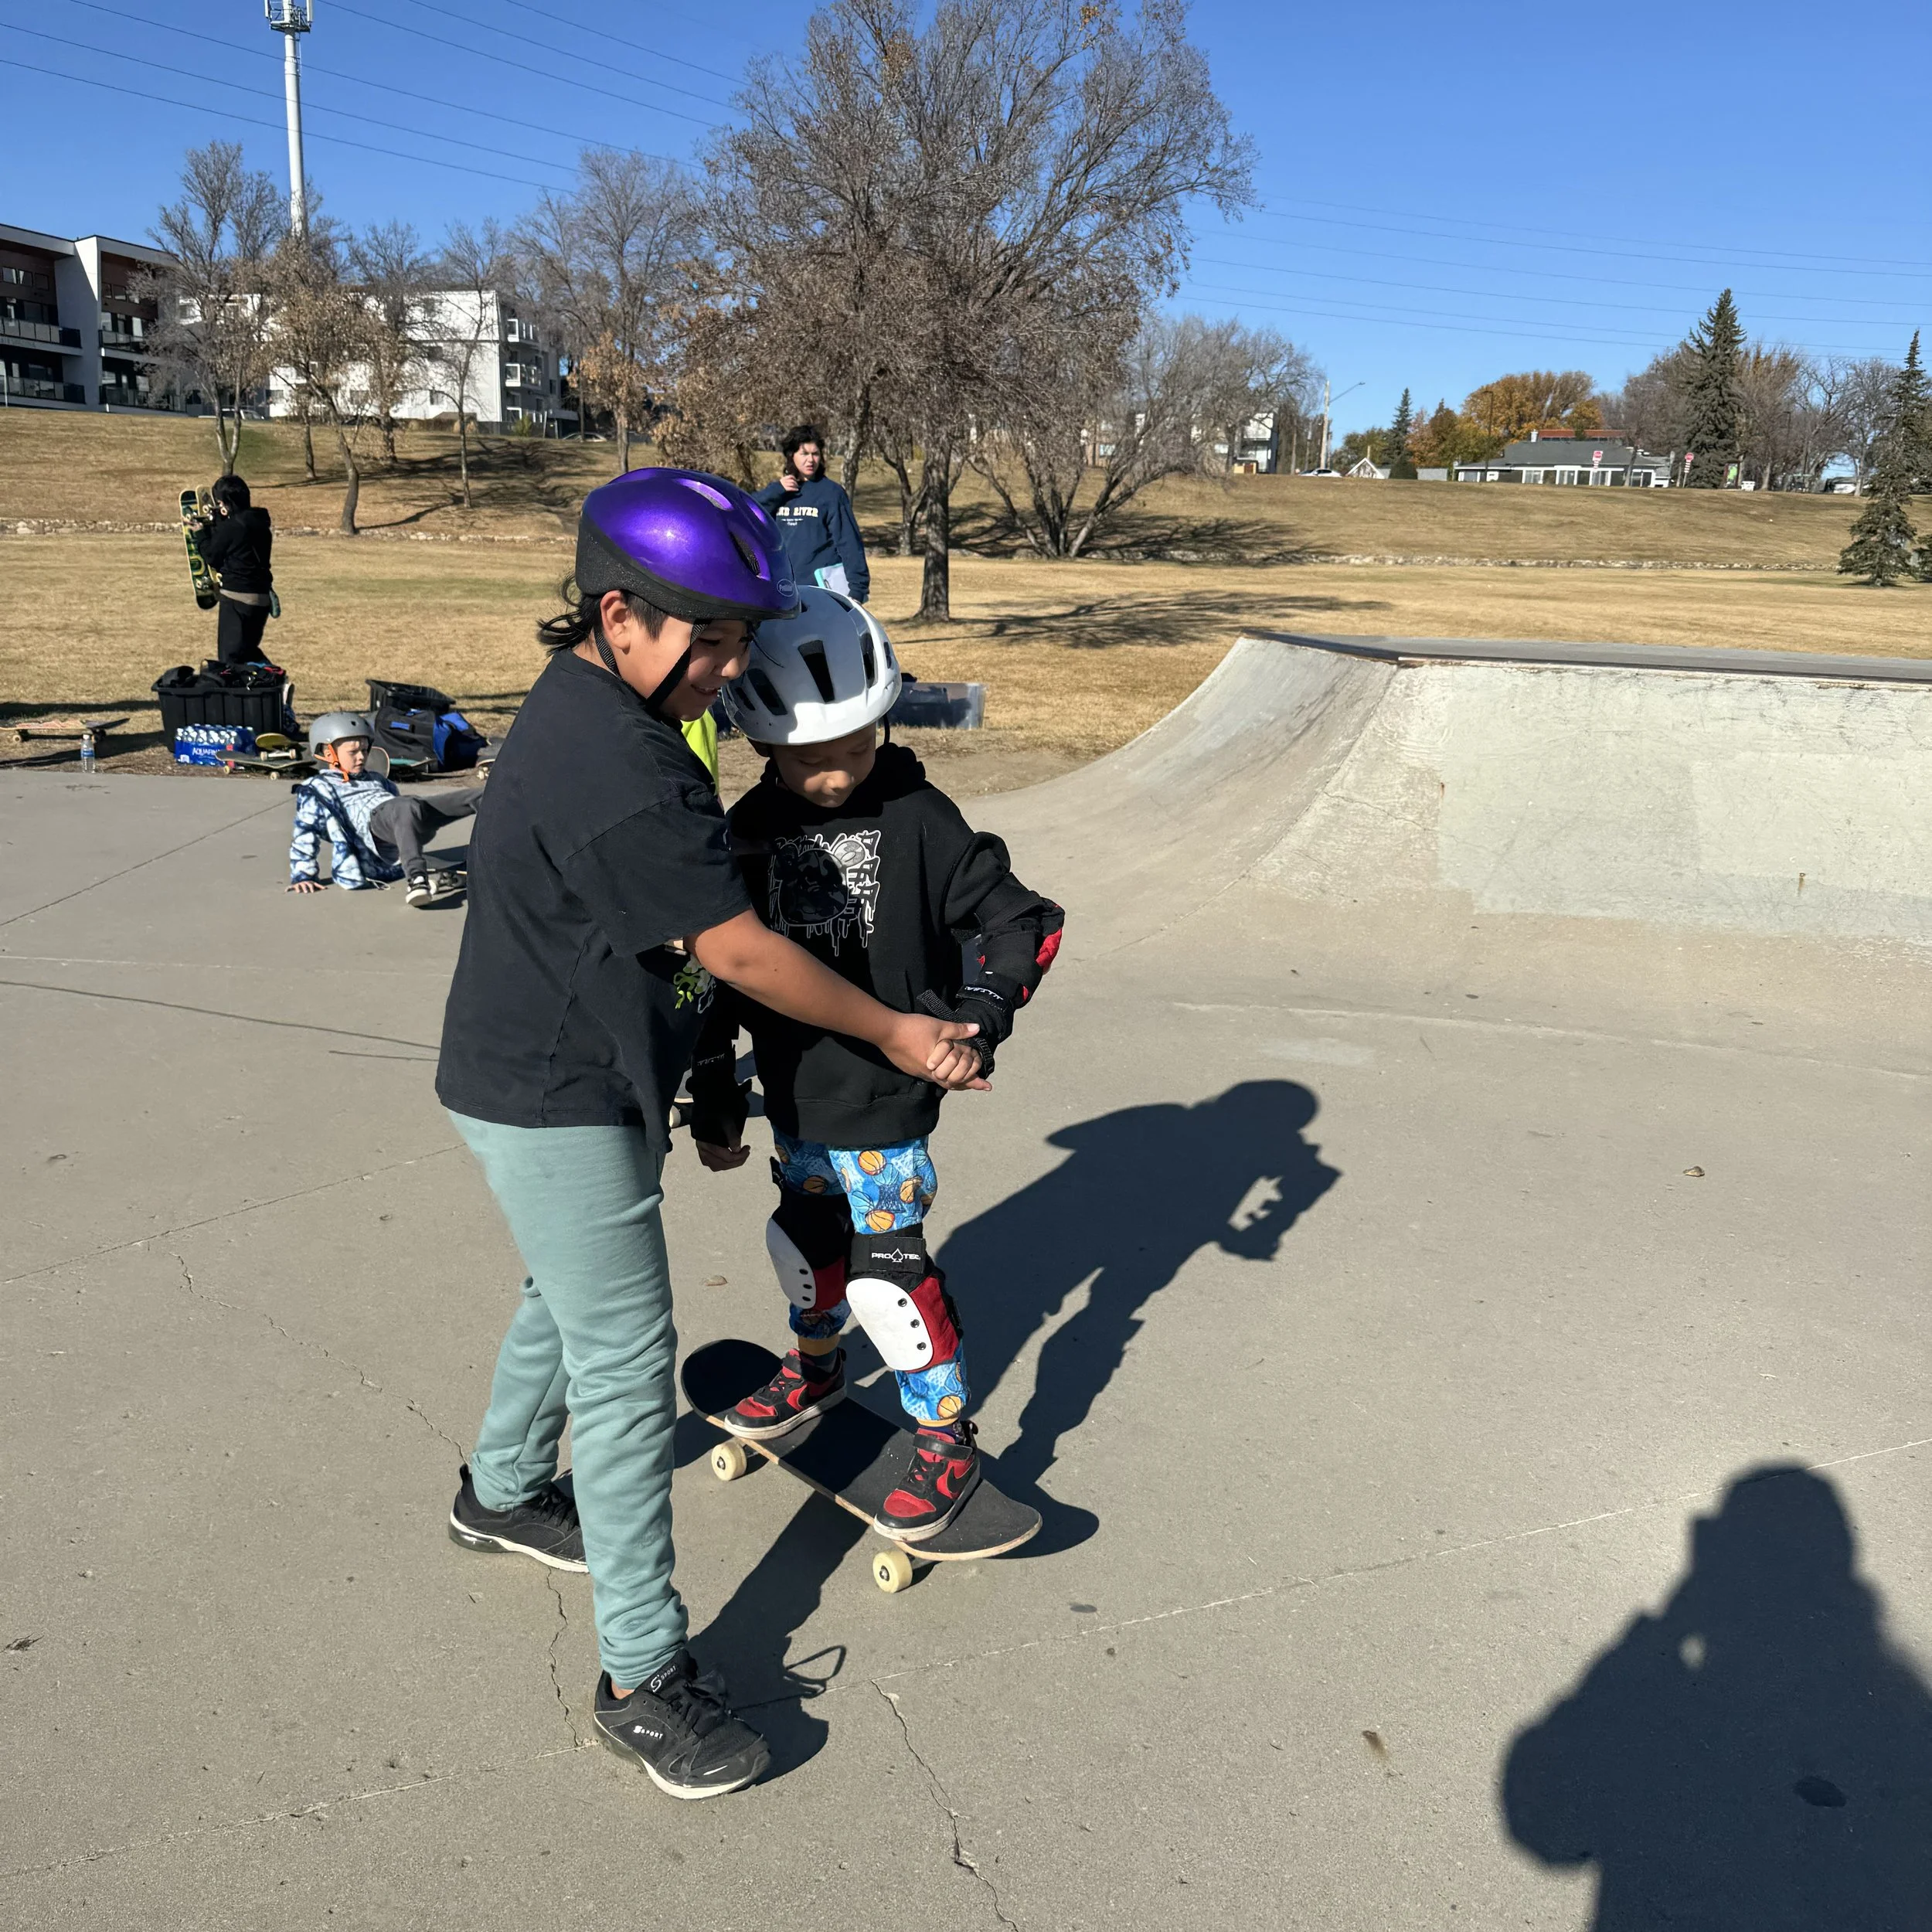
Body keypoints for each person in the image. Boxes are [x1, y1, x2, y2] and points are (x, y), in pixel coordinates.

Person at [434, 471, 983, 1802]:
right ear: (618, 614)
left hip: (561, 1072)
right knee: (627, 1366)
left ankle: (501, 1487)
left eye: (742, 638)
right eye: (716, 640)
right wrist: (902, 1033)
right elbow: (737, 952)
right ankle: (640, 1674)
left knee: (563, 1291)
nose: (731, 673)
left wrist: (709, 1088)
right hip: (551, 1090)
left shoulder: (599, 706)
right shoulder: (618, 764)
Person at [689, 586, 1063, 1539]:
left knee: (887, 1281)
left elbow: (1022, 921)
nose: (837, 774)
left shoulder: (917, 813)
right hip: (792, 1096)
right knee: (807, 1251)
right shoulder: (744, 833)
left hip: (886, 1102)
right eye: (812, 759)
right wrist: (716, 1088)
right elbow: (721, 975)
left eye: (858, 747)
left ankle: (944, 1437)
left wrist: (978, 1019)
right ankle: (815, 1368)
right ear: (761, 740)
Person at [287, 713, 481, 907]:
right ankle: (416, 878)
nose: (361, 757)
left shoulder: (376, 779)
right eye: (353, 752)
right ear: (328, 754)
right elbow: (305, 831)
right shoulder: (318, 788)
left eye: (365, 750)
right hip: (377, 825)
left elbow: (398, 810)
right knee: (403, 806)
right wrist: (303, 874)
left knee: (477, 796)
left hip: (408, 814)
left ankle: (505, 845)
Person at [753, 423, 870, 604]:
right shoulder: (779, 491)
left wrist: (858, 589)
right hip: (782, 589)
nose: (811, 460)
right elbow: (749, 513)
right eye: (804, 454)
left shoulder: (831, 493)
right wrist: (777, 491)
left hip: (821, 592)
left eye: (815, 454)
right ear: (792, 455)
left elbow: (849, 542)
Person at [193, 474, 276, 667]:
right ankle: (274, 679)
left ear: (224, 503)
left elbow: (212, 556)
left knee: (230, 660)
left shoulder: (232, 527)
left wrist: (200, 534)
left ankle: (268, 683)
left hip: (237, 598)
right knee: (249, 652)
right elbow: (239, 545)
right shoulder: (261, 525)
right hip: (261, 600)